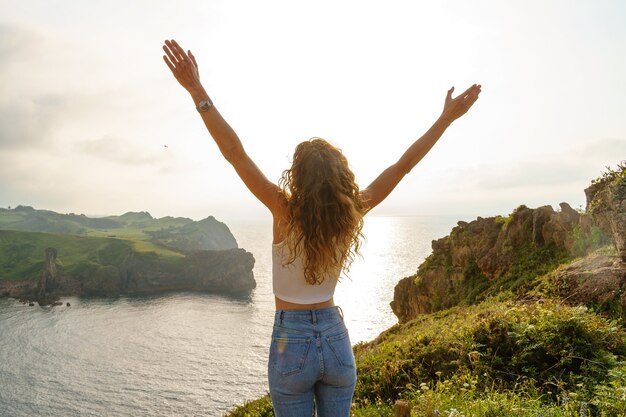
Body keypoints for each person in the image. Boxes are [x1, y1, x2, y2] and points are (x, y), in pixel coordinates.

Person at [162, 39, 481, 417]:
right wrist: (444, 119)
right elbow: (402, 166)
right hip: (334, 337)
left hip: (291, 338)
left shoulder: (283, 209)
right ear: (340, 177)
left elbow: (235, 153)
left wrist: (198, 91)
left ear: (297, 177)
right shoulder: (351, 212)